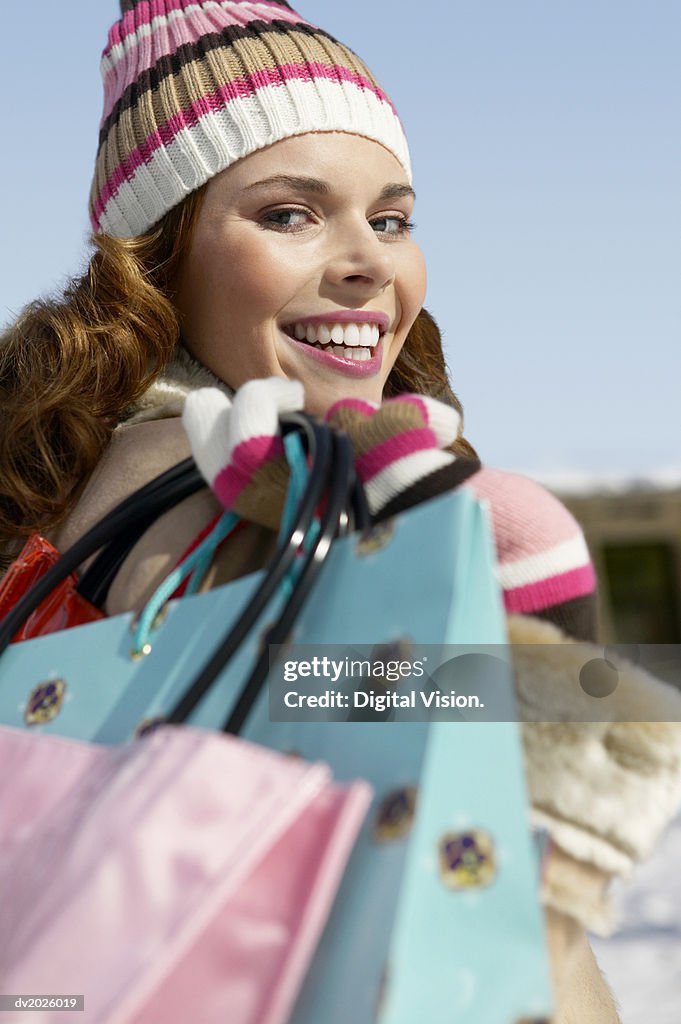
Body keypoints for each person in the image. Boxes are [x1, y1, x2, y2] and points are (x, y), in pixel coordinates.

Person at [3, 1, 667, 1019]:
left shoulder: (67, 470)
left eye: (390, 217)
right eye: (289, 213)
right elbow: (354, 713)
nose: (370, 262)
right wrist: (524, 629)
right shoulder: (213, 478)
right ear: (159, 253)